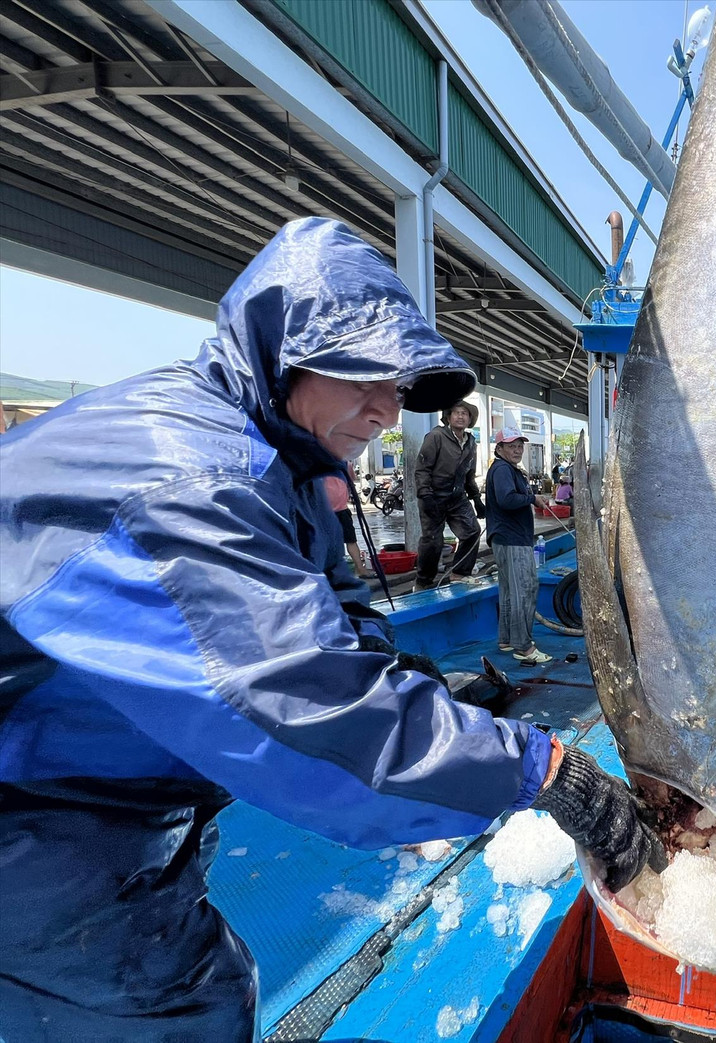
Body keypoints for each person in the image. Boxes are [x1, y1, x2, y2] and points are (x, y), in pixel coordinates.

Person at [0, 218, 662, 1040]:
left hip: (101, 787)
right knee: (177, 1009)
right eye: (367, 377)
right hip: (35, 807)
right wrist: (543, 769)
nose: (388, 408)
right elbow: (301, 702)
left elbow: (336, 614)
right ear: (287, 353)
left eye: (400, 385)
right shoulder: (198, 482)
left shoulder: (284, 462)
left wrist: (410, 679)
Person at [486, 427, 551, 665]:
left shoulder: (506, 469)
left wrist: (533, 499)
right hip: (511, 539)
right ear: (500, 448)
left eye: (520, 445)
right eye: (511, 445)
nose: (517, 449)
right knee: (525, 588)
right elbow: (506, 499)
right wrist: (532, 498)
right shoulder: (503, 469)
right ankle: (524, 647)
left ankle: (506, 639)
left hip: (506, 537)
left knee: (508, 591)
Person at [414, 398, 485, 591]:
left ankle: (460, 573)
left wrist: (477, 498)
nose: (461, 416)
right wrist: (425, 495)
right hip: (433, 496)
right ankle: (423, 582)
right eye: (456, 412)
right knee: (432, 541)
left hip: (457, 497)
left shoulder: (471, 442)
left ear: (470, 419)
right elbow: (422, 469)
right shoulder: (436, 436)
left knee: (472, 531)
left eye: (465, 413)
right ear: (448, 417)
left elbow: (469, 475)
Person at [323, 471, 370, 577]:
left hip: (342, 509)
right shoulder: (317, 460)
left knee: (351, 540)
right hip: (323, 511)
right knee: (327, 543)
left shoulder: (344, 462)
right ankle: (330, 573)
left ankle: (360, 569)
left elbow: (350, 481)